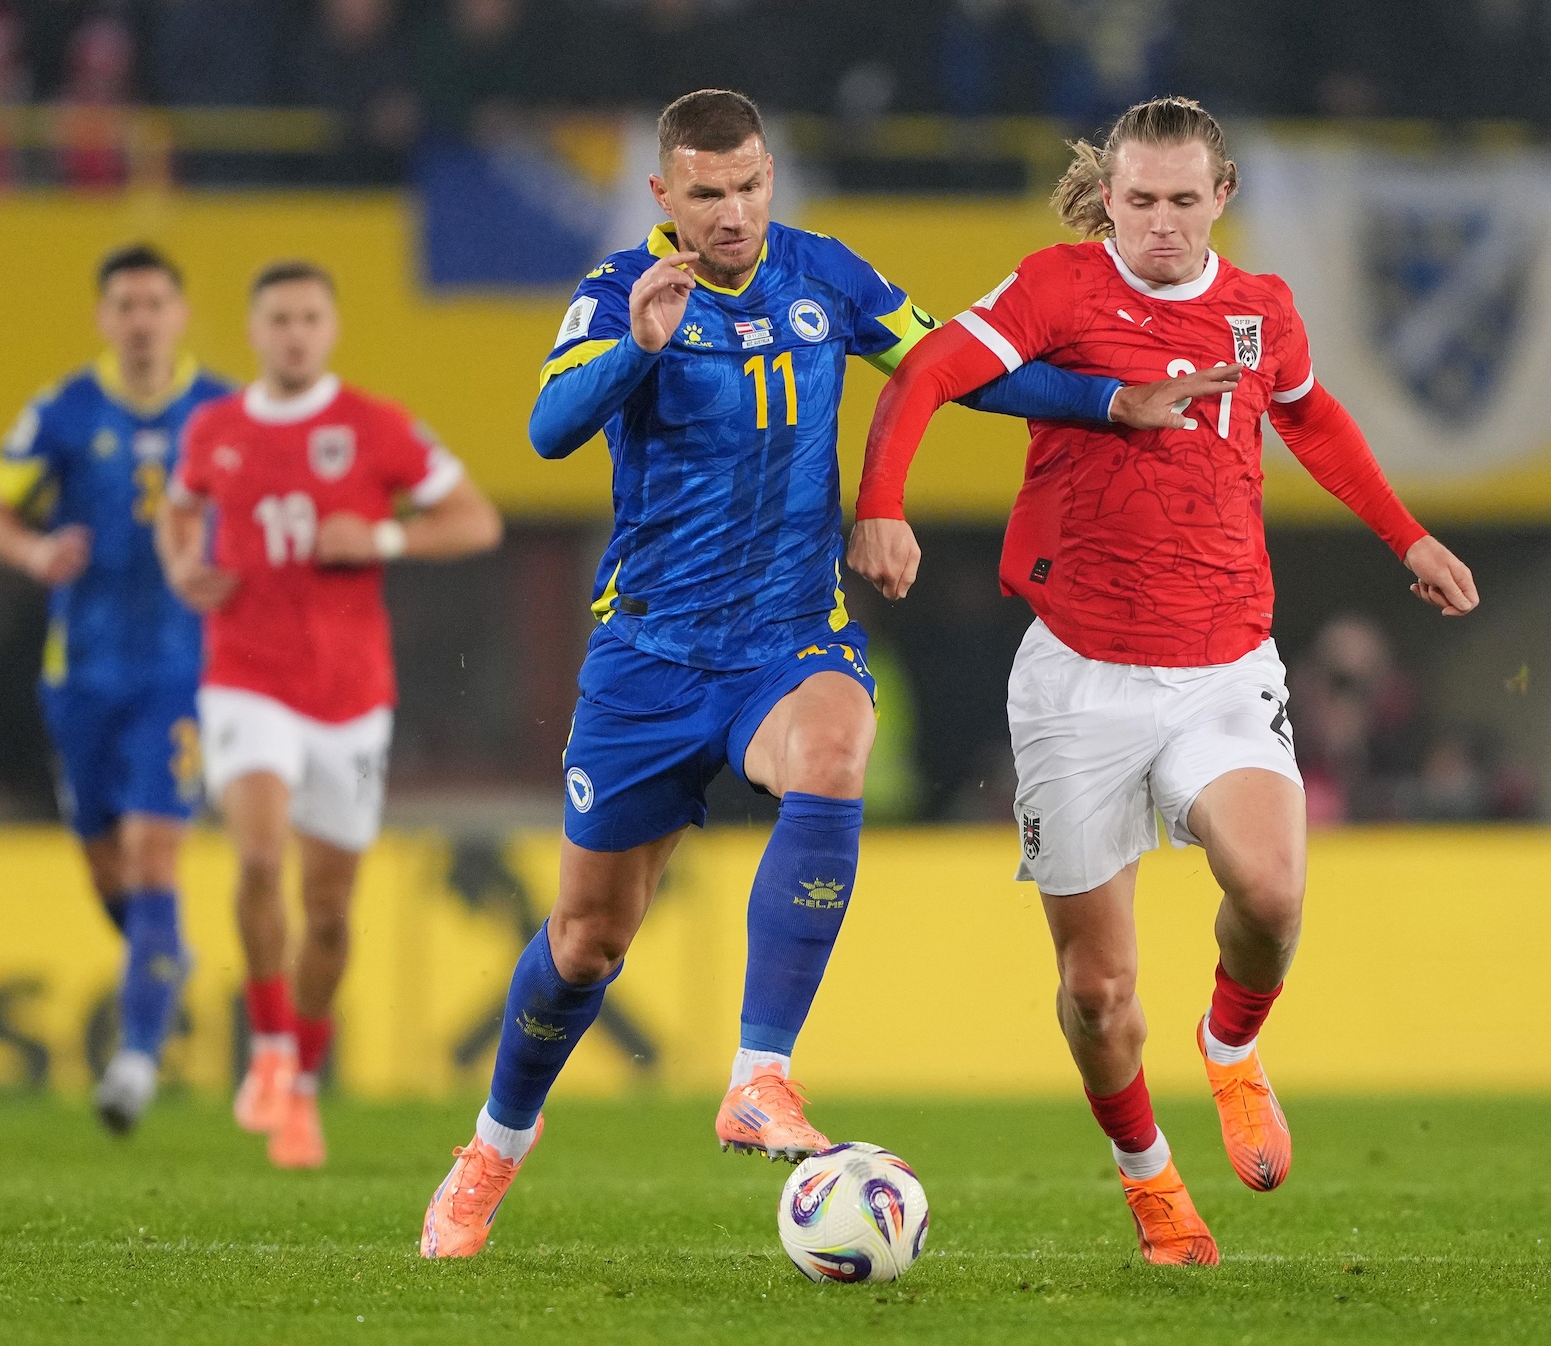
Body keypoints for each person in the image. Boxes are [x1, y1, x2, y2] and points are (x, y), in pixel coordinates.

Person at [419, 88, 1141, 1260]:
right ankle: (492, 1149)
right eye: (706, 194)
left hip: (786, 638)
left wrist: (1108, 400)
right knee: (585, 943)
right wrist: (636, 353)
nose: (734, 212)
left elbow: (953, 365)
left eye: (750, 185)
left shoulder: (824, 278)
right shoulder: (620, 293)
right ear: (664, 197)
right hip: (648, 656)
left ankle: (760, 1076)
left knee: (836, 744)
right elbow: (549, 428)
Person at [848, 95, 1479, 1266]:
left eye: (1183, 201)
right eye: (1138, 200)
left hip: (1223, 664)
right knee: (1095, 992)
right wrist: (880, 503)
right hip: (1077, 679)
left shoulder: (1258, 307)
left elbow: (1311, 419)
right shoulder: (1056, 290)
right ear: (1111, 197)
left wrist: (1407, 539)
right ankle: (1149, 1183)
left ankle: (1231, 1049)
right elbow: (925, 372)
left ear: (1219, 198)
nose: (1159, 224)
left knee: (1273, 894)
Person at [158, 260, 502, 1169]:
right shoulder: (215, 427)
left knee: (330, 912)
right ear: (254, 329)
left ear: (332, 328)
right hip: (243, 674)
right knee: (260, 854)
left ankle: (302, 1081)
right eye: (280, 319)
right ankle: (268, 1049)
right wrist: (181, 564)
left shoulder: (375, 426)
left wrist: (385, 536)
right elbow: (178, 508)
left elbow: (476, 519)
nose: (296, 333)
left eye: (311, 316)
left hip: (350, 697)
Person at [0, 244, 233, 1134]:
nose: (142, 318)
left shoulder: (225, 411)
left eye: (156, 301)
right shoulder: (65, 410)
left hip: (182, 676)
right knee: (105, 864)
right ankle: (163, 962)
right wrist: (35, 550)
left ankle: (133, 1062)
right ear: (103, 319)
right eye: (125, 303)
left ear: (181, 313)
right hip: (80, 678)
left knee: (156, 857)